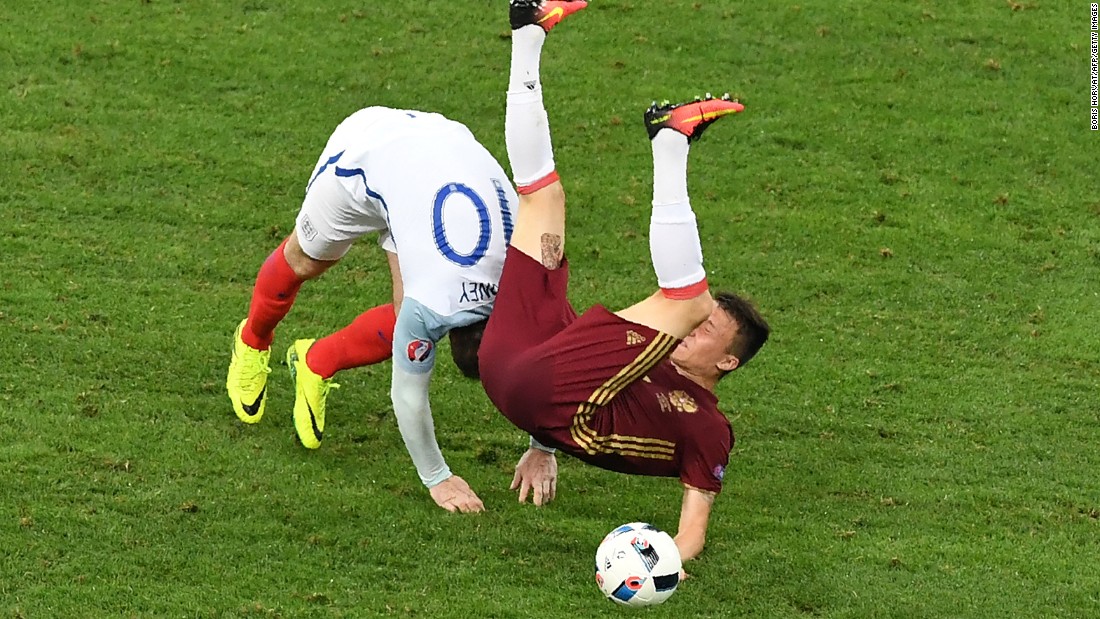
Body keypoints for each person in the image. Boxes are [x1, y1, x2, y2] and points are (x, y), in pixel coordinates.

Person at [478, 0, 771, 563]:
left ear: (729, 361)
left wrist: (665, 565)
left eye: (710, 331)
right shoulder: (654, 358)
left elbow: (692, 532)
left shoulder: (709, 430)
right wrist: (541, 445)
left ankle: (670, 142)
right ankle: (528, 32)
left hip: (551, 397)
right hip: (515, 362)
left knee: (687, 298)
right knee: (541, 198)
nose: (690, 332)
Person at [226, 106, 519, 513]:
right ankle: (253, 341)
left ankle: (314, 360)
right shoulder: (431, 306)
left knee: (402, 317)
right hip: (366, 152)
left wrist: (545, 448)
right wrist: (437, 478)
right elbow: (408, 396)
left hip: (443, 147)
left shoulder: (525, 278)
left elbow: (555, 352)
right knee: (304, 260)